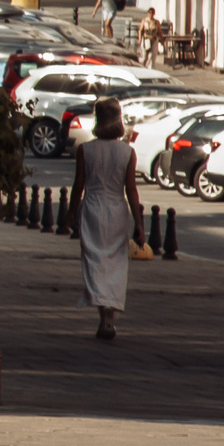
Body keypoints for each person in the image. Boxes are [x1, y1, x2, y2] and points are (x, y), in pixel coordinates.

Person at [66, 96, 140, 341]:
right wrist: (140, 225)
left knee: (95, 261)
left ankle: (102, 314)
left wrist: (70, 213)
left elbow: (79, 186)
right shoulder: (128, 152)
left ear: (98, 121)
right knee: (116, 264)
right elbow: (131, 190)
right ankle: (110, 315)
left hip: (93, 209)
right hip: (117, 210)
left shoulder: (85, 150)